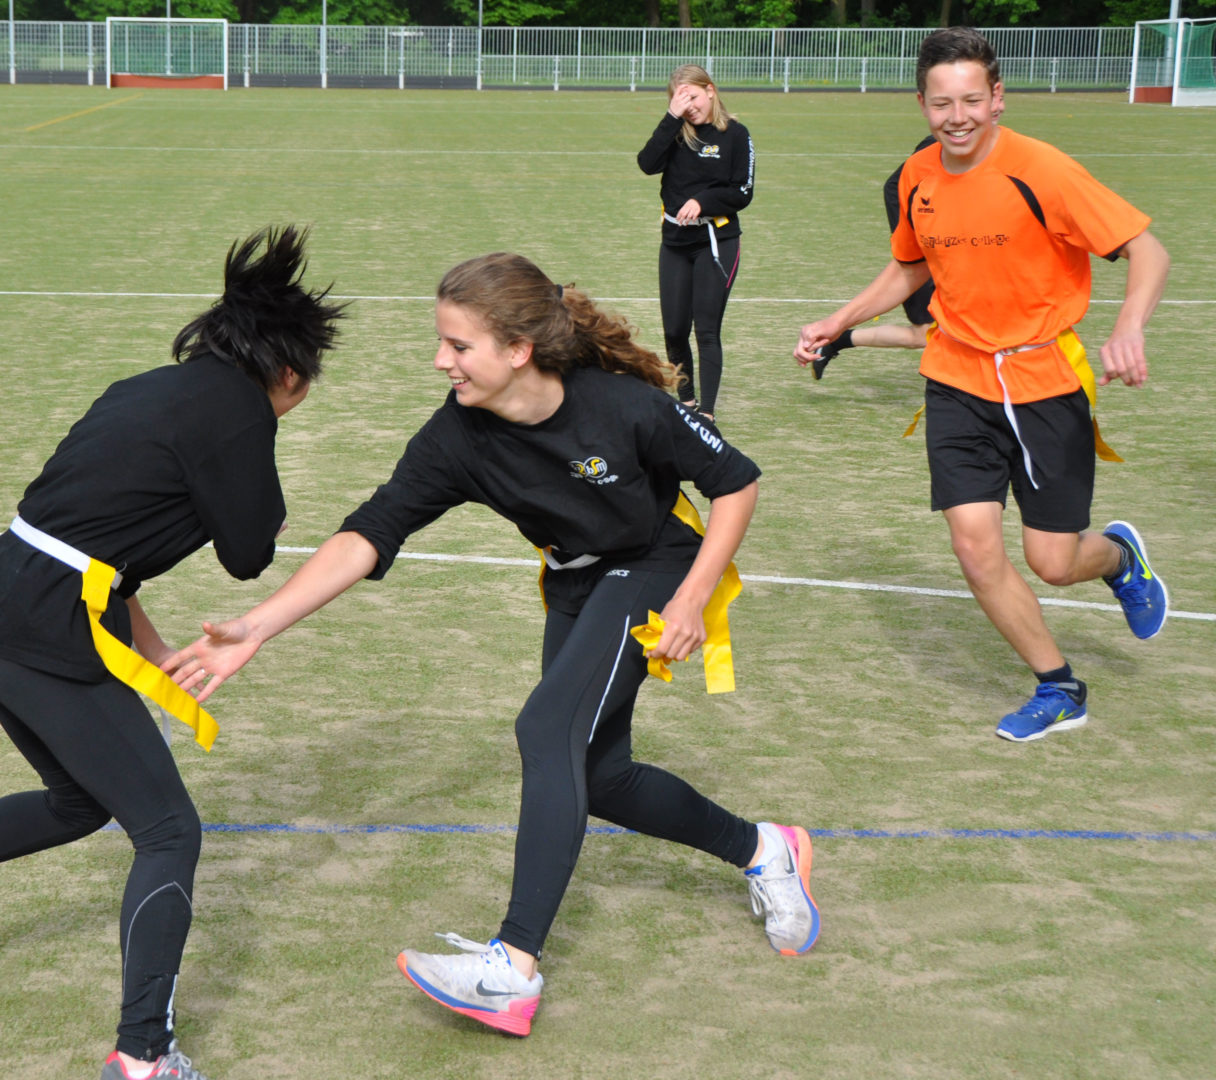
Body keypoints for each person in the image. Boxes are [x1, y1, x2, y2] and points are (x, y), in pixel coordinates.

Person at [165, 253, 819, 1038]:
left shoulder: (622, 407)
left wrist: (689, 597)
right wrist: (257, 626)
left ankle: (511, 966)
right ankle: (766, 849)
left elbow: (736, 482)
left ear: (518, 350)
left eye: (458, 345)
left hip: (653, 567)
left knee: (546, 731)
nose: (442, 360)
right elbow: (372, 532)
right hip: (576, 583)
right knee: (598, 778)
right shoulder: (457, 436)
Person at [0, 226, 346, 1080]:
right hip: (42, 628)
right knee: (168, 830)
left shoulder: (148, 389)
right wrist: (266, 502)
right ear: (288, 372)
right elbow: (250, 551)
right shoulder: (241, 413)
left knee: (77, 800)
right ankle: (144, 1054)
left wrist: (156, 656)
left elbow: (102, 546)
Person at [794, 27, 1171, 743]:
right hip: (956, 378)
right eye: (942, 104)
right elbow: (910, 266)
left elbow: (1147, 249)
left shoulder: (1044, 170)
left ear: (997, 98)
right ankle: (1059, 685)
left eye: (971, 99)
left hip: (1042, 380)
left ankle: (1118, 557)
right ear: (922, 104)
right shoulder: (917, 177)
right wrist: (837, 321)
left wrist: (1130, 325)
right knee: (973, 546)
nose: (957, 116)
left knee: (1053, 562)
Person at [637, 63, 754, 419]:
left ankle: (707, 412)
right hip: (674, 242)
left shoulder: (735, 134)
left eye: (693, 96)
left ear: (710, 90)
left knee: (706, 329)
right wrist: (671, 118)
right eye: (680, 99)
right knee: (674, 330)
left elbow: (742, 191)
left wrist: (703, 201)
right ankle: (686, 402)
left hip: (716, 242)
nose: (689, 106)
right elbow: (646, 163)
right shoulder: (676, 131)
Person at [806, 135, 938, 381]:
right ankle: (837, 341)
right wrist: (921, 245)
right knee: (924, 334)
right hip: (926, 251)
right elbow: (894, 187)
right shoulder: (938, 149)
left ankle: (838, 341)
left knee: (925, 335)